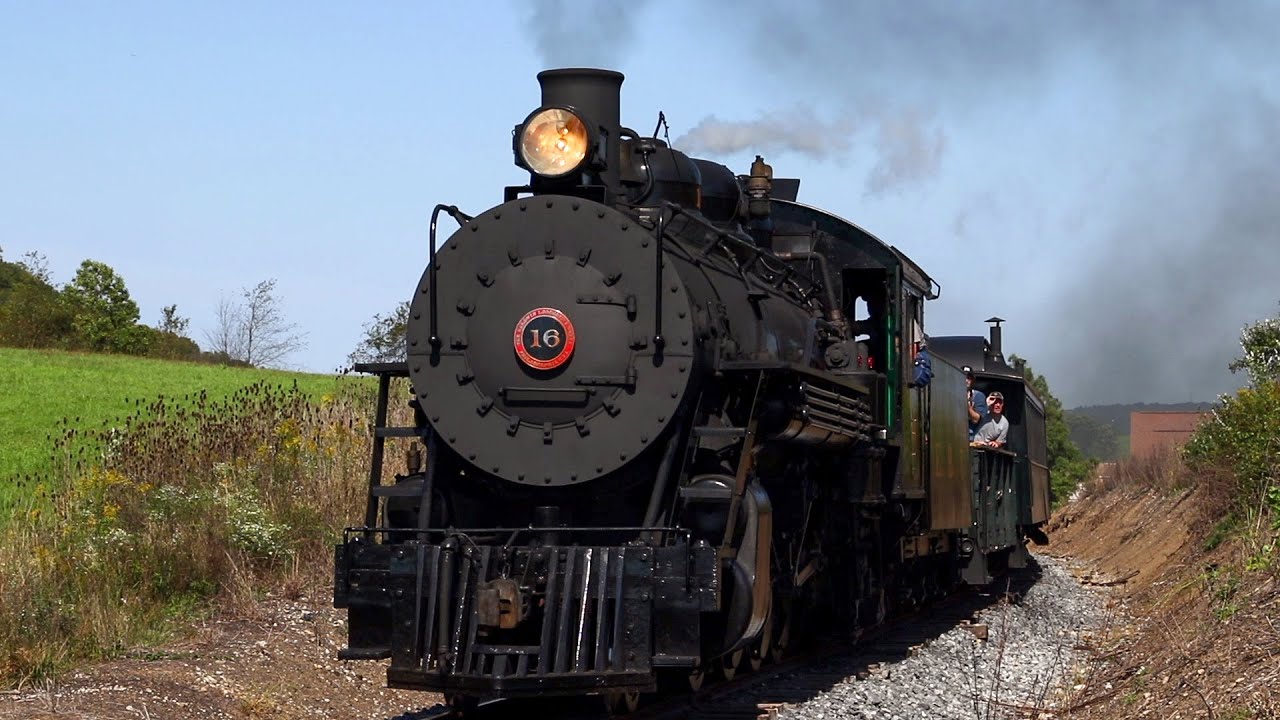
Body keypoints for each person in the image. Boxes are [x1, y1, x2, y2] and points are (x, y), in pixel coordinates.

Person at [964, 366, 987, 440]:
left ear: (973, 381)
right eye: (963, 377)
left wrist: (968, 407)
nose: (966, 380)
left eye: (969, 378)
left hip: (970, 439)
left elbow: (975, 420)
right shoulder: (950, 394)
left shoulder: (978, 396)